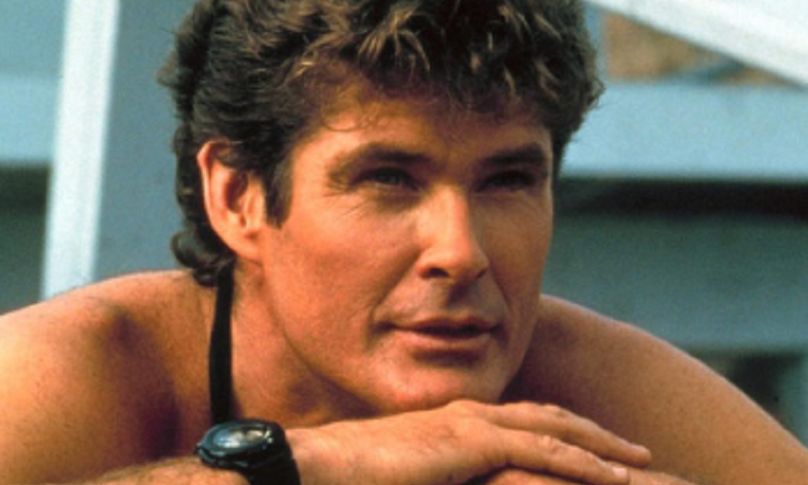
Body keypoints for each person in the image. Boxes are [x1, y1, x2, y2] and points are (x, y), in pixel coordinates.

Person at [0, 0, 806, 483]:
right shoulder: (77, 371)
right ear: (238, 196)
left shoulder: (592, 385)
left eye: (507, 180)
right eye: (388, 178)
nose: (461, 251)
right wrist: (314, 464)